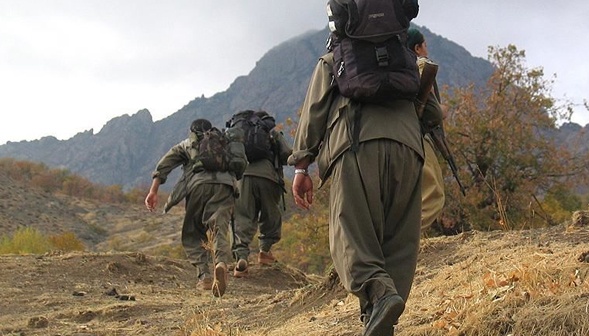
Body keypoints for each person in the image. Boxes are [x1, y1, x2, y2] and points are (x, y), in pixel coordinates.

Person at [288, 42, 424, 336]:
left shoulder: (333, 60)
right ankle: (381, 322)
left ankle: (379, 294)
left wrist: (302, 165)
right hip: (410, 151)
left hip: (356, 145)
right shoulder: (407, 58)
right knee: (399, 241)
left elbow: (314, 112)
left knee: (349, 233)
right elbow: (433, 114)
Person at [144, 118, 244, 297]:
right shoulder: (225, 142)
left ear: (192, 131)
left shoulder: (188, 143)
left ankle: (204, 275)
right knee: (219, 227)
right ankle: (221, 262)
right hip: (225, 186)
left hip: (198, 186)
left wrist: (153, 191)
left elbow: (164, 165)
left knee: (193, 231)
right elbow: (241, 164)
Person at [231, 113, 293, 277]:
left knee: (243, 216)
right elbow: (286, 154)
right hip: (268, 177)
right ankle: (265, 252)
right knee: (270, 214)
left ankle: (241, 259)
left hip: (243, 178)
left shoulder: (239, 133)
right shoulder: (270, 131)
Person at [406, 28, 447, 233]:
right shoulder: (420, 66)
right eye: (425, 45)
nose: (426, 49)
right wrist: (442, 110)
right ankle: (405, 243)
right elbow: (431, 113)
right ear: (417, 48)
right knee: (433, 196)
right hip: (415, 136)